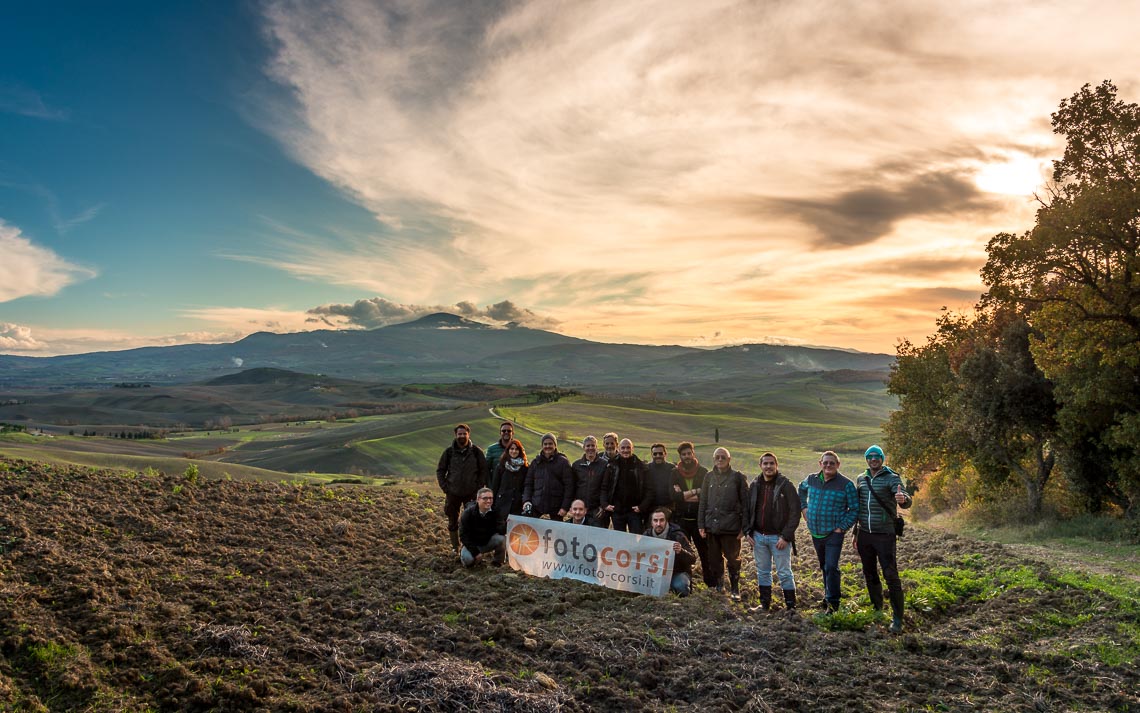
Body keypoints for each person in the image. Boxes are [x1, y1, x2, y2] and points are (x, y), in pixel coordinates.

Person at [854, 444, 912, 633]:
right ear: (866, 459)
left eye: (877, 456)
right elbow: (859, 507)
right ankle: (877, 610)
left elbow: (905, 498)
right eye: (870, 456)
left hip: (885, 535)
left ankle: (897, 618)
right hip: (864, 534)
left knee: (890, 575)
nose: (873, 459)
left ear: (882, 459)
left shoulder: (892, 478)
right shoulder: (861, 479)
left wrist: (903, 499)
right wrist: (856, 534)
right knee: (869, 573)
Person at [798, 450, 858, 613]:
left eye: (832, 463)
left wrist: (841, 528)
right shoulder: (811, 479)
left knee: (831, 566)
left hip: (834, 533)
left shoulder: (846, 485)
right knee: (824, 566)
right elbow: (801, 489)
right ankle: (827, 596)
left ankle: (833, 603)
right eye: (825, 462)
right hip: (816, 532)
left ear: (838, 465)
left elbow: (854, 509)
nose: (828, 465)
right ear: (820, 464)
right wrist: (804, 508)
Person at [744, 452, 801, 611]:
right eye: (765, 463)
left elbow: (795, 512)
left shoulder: (786, 485)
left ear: (776, 465)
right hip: (758, 537)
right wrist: (748, 531)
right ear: (760, 466)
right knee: (763, 572)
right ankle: (764, 605)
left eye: (771, 463)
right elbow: (747, 510)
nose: (768, 467)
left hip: (779, 538)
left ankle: (791, 607)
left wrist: (786, 536)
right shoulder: (755, 485)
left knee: (784, 572)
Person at [698, 447, 749, 600]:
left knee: (733, 559)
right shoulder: (708, 477)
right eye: (717, 457)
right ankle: (720, 586)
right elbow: (703, 502)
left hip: (731, 527)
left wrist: (744, 527)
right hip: (711, 526)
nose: (720, 460)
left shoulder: (738, 478)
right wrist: (701, 524)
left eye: (723, 457)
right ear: (714, 459)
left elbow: (746, 504)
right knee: (714, 559)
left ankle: (734, 588)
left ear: (729, 459)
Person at [436, 423, 489, 553]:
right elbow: (440, 470)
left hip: (471, 493)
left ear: (468, 434)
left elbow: (484, 471)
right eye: (459, 434)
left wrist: (478, 488)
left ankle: (469, 547)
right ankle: (455, 547)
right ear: (456, 435)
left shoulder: (476, 452)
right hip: (452, 493)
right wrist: (445, 487)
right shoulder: (448, 452)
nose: (462, 436)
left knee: (471, 522)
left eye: (464, 434)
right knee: (452, 521)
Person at [671, 441, 712, 587]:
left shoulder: (703, 472)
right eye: (684, 454)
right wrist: (696, 491)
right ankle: (686, 583)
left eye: (689, 453)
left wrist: (683, 495)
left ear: (693, 453)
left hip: (699, 521)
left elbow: (706, 496)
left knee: (705, 553)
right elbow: (674, 497)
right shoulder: (675, 473)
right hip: (681, 520)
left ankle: (711, 584)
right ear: (680, 456)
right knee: (683, 554)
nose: (687, 456)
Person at [601, 438, 650, 533]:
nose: (625, 450)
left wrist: (642, 507)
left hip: (635, 511)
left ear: (632, 448)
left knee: (636, 539)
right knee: (620, 540)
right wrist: (605, 504)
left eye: (628, 447)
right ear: (618, 449)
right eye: (623, 448)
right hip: (617, 511)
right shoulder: (611, 465)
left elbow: (648, 489)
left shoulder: (641, 466)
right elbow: (604, 486)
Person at [645, 507, 696, 596]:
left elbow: (693, 559)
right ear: (651, 523)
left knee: (681, 587)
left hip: (676, 573)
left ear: (666, 521)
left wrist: (681, 551)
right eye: (655, 521)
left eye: (661, 520)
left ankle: (671, 588)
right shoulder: (646, 535)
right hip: (654, 573)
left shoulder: (678, 535)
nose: (658, 524)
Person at [522, 433, 575, 519]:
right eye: (545, 444)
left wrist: (565, 507)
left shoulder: (563, 462)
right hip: (536, 507)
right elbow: (528, 484)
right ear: (542, 446)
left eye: (550, 444)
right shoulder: (535, 463)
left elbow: (569, 487)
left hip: (557, 509)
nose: (548, 446)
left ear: (555, 445)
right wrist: (526, 501)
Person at [458, 488, 506, 567]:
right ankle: (469, 558)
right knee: (468, 561)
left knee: (502, 539)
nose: (488, 501)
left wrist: (505, 525)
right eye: (485, 498)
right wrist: (476, 553)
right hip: (472, 544)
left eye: (490, 498)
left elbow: (501, 531)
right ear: (478, 499)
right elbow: (463, 536)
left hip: (487, 542)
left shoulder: (496, 512)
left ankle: (498, 562)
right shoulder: (468, 513)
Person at [489, 438, 528, 533]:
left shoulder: (525, 468)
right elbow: (495, 486)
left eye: (516, 449)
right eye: (511, 449)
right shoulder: (501, 466)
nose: (514, 451)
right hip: (501, 504)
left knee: (515, 533)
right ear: (508, 450)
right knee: (500, 532)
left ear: (520, 451)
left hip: (517, 506)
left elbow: (526, 486)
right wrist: (492, 504)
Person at [571, 435, 610, 528]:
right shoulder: (576, 465)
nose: (590, 448)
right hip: (580, 509)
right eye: (588, 446)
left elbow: (605, 487)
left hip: (597, 509)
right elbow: (572, 486)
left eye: (593, 446)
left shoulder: (604, 464)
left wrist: (602, 506)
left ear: (597, 447)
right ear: (584, 447)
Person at [645, 443, 675, 512]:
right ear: (652, 455)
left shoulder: (672, 469)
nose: (658, 456)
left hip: (668, 508)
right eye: (655, 454)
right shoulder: (646, 469)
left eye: (660, 453)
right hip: (650, 509)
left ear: (665, 454)